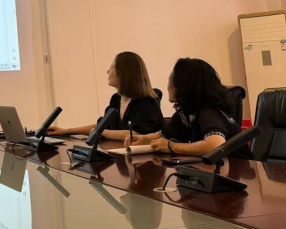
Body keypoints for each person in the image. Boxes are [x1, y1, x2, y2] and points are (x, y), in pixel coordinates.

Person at [125, 58, 253, 158]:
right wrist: (143, 139)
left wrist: (172, 146)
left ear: (185, 85)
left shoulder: (208, 111)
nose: (169, 85)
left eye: (173, 80)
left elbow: (215, 145)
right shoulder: (185, 113)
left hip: (239, 173)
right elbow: (163, 135)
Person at [48, 52, 163, 140]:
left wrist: (99, 131)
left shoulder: (148, 102)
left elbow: (133, 134)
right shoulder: (116, 99)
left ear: (123, 72)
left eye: (111, 67)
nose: (108, 71)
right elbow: (102, 125)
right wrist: (66, 131)